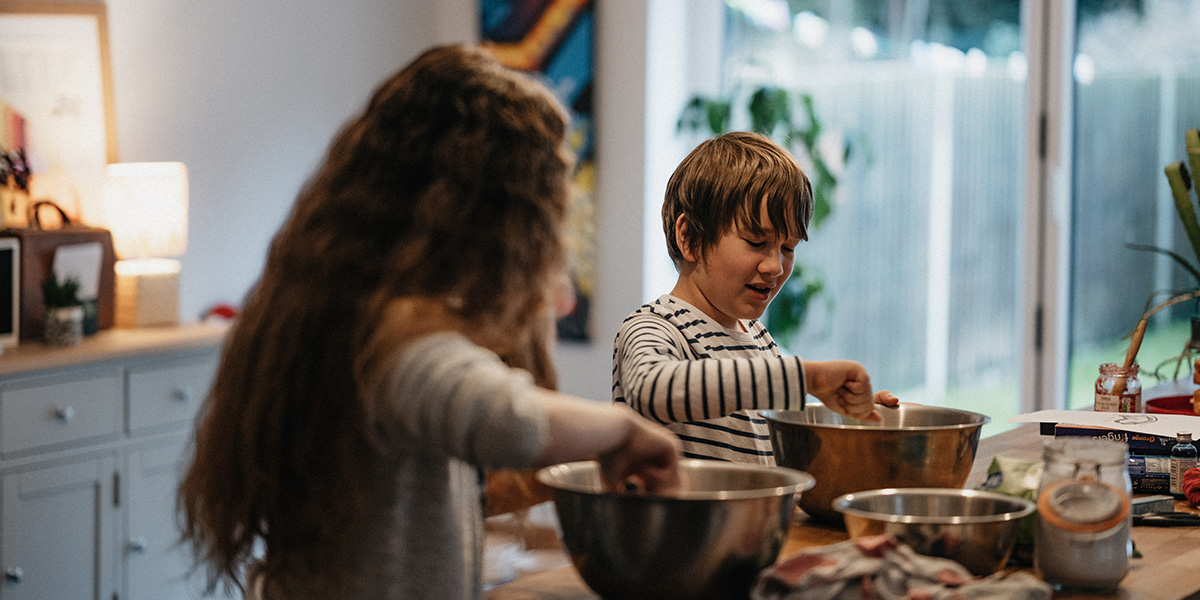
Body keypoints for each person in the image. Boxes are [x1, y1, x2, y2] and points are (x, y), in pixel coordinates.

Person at [178, 44, 682, 600]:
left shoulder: (339, 307)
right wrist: (623, 427)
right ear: (492, 220)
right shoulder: (394, 338)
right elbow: (505, 419)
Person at [612, 131, 898, 464]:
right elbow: (652, 390)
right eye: (756, 242)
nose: (776, 266)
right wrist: (807, 377)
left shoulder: (758, 337)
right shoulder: (654, 327)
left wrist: (845, 413)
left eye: (788, 248)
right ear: (689, 238)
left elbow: (762, 413)